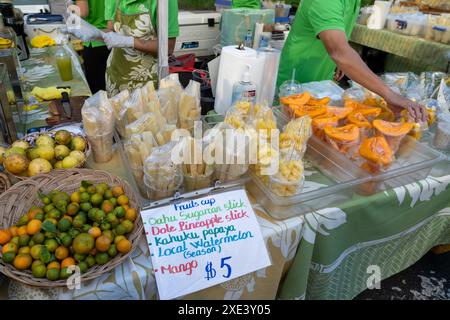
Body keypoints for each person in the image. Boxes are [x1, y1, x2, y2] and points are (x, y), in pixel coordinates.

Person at [277, 0, 427, 122]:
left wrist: (341, 59)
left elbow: (337, 42)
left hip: (319, 88)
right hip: (294, 87)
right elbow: (340, 52)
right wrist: (389, 94)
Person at [66, 0, 179, 96]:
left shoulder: (163, 2)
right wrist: (95, 33)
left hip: (146, 83)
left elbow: (168, 47)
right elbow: (111, 31)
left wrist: (129, 41)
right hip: (115, 76)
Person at [73, 0, 110, 93]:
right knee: (109, 87)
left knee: (97, 91)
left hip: (94, 41)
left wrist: (71, 7)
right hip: (113, 38)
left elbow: (83, 12)